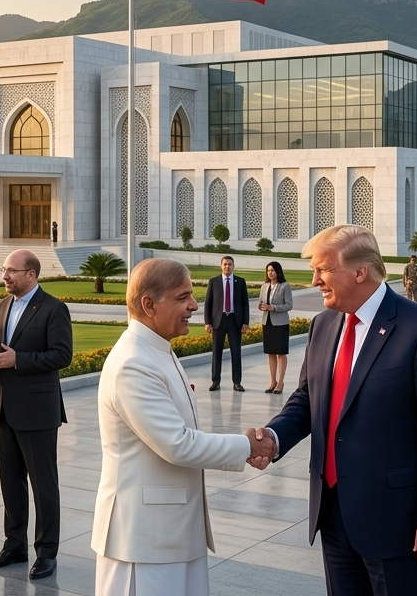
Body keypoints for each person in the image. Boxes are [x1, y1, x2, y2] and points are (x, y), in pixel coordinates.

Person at [251, 224, 417, 595]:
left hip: (399, 524)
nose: (315, 279)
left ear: (359, 272)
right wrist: (274, 435)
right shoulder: (324, 324)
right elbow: (307, 398)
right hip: (334, 515)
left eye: (323, 269)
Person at [91, 258, 258, 596]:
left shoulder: (155, 349)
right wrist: (248, 445)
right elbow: (177, 444)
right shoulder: (134, 363)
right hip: (144, 538)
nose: (195, 306)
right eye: (183, 298)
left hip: (170, 530)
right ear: (148, 304)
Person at [0, 249, 73, 580]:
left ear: (31, 275)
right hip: (4, 407)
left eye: (11, 271)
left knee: (43, 485)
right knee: (10, 482)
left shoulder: (53, 309)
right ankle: (14, 545)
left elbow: (62, 355)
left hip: (37, 410)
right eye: (4, 269)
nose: (5, 276)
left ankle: (47, 553)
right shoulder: (0, 305)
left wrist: (18, 360)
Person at [202, 255, 249, 392]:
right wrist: (207, 322)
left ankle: (237, 382)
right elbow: (208, 304)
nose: (227, 266)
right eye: (225, 264)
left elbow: (245, 304)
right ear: (221, 266)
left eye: (230, 264)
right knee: (217, 352)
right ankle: (215, 381)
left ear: (233, 266)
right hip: (219, 321)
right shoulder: (214, 281)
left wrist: (245, 321)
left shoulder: (240, 282)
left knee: (236, 352)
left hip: (235, 321)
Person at [259, 261, 293, 394]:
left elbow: (289, 305)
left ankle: (280, 382)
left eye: (272, 270)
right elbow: (261, 302)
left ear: (278, 271)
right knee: (271, 352)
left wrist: (273, 307)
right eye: (268, 271)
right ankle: (272, 381)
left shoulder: (285, 286)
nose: (270, 273)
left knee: (281, 352)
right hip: (267, 322)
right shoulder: (264, 286)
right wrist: (262, 306)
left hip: (280, 323)